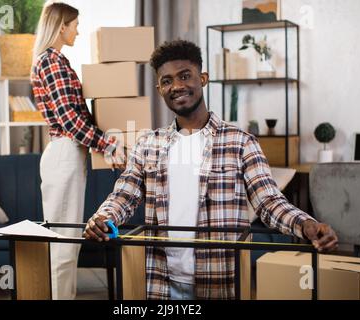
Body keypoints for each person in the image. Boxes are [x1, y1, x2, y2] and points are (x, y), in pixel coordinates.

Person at [83, 40, 338, 300]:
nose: (177, 86)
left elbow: (269, 202)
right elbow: (124, 196)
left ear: (203, 78)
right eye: (167, 81)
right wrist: (104, 218)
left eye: (185, 76)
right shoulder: (148, 144)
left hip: (219, 280)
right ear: (159, 88)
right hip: (160, 281)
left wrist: (306, 224)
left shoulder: (240, 142)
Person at [31, 2, 123, 300]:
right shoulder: (52, 62)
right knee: (63, 243)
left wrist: (101, 147)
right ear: (61, 26)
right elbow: (70, 119)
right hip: (64, 153)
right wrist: (107, 144)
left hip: (68, 153)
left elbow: (75, 117)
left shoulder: (54, 61)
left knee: (67, 242)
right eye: (74, 25)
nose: (78, 31)